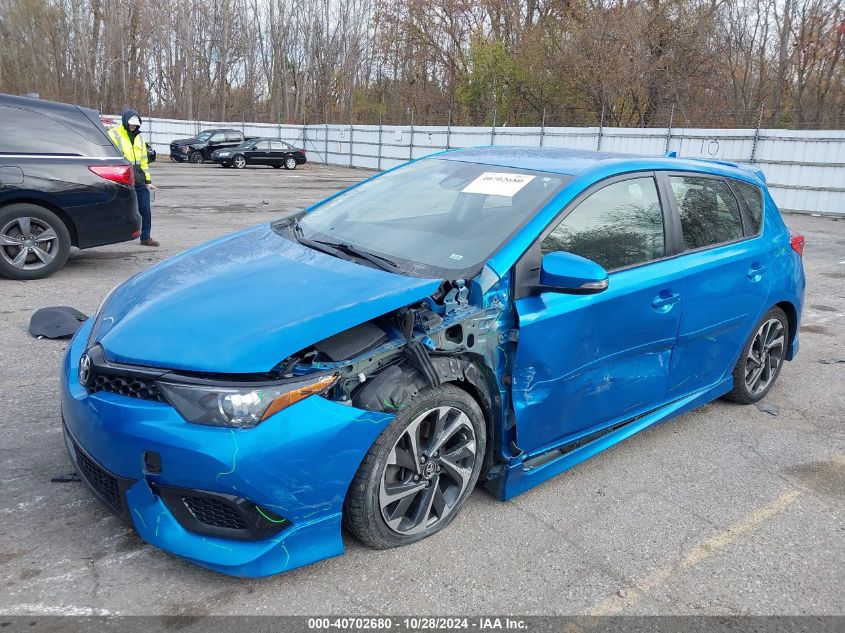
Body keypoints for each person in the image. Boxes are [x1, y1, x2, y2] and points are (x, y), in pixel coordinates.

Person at [108, 109, 158, 246]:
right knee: (118, 208)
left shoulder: (140, 138)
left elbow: (143, 162)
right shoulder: (114, 134)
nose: (133, 126)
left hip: (139, 178)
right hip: (122, 178)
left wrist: (148, 181)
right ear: (125, 121)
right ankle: (110, 236)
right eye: (131, 123)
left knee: (145, 208)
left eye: (135, 124)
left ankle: (146, 237)